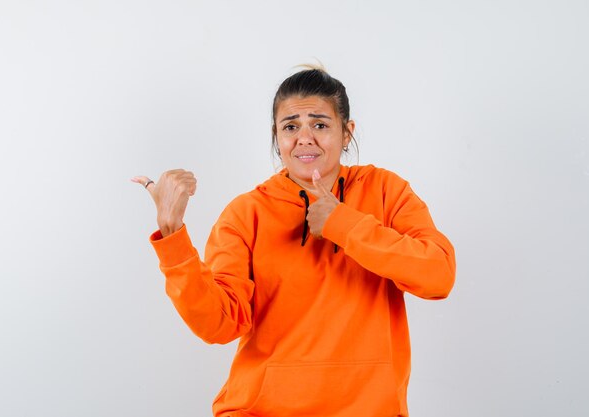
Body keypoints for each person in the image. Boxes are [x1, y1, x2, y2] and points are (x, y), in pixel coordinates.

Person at [132, 67, 456, 417]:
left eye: (319, 124)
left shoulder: (386, 191)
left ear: (347, 133)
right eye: (290, 126)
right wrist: (172, 234)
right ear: (277, 135)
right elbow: (220, 324)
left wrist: (342, 223)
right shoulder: (246, 212)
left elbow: (438, 275)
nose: (304, 138)